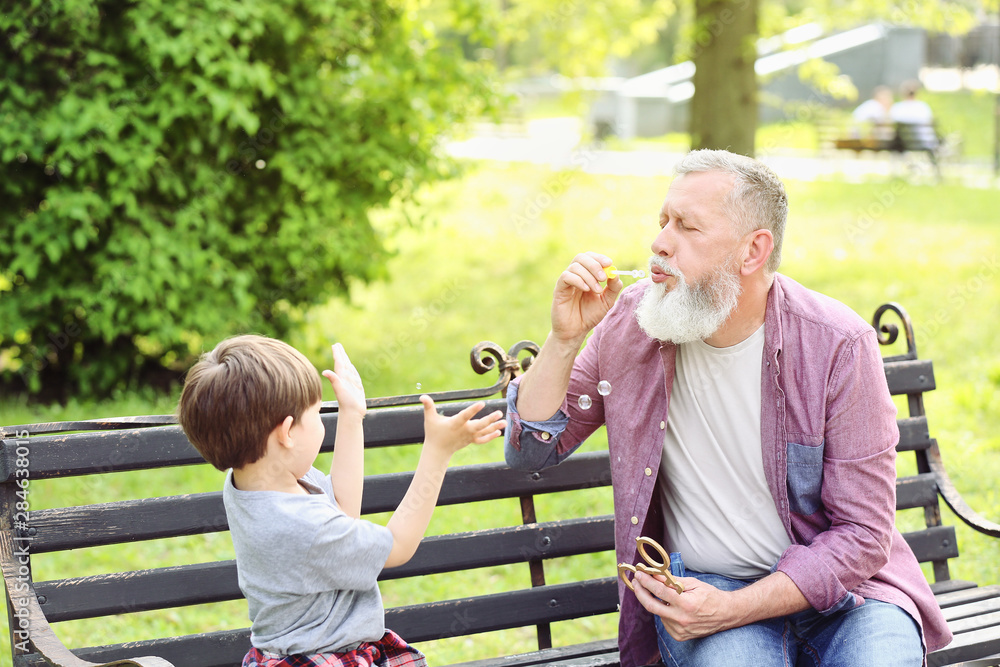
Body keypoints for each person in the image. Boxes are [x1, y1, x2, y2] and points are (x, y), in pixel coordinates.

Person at [504, 149, 951, 667]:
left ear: (752, 251)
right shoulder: (634, 324)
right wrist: (564, 340)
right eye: (662, 221)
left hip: (851, 596)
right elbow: (532, 452)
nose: (659, 243)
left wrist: (735, 608)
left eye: (687, 228)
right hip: (703, 589)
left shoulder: (838, 344)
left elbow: (863, 536)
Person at [177, 335, 505, 667]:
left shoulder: (251, 483)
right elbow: (398, 546)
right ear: (287, 433)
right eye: (317, 414)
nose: (321, 421)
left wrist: (351, 415)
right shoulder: (303, 526)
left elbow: (342, 511)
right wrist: (438, 451)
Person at [890, 80, 938, 151]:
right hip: (923, 142)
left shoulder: (896, 108)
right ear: (917, 93)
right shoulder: (923, 107)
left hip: (901, 144)